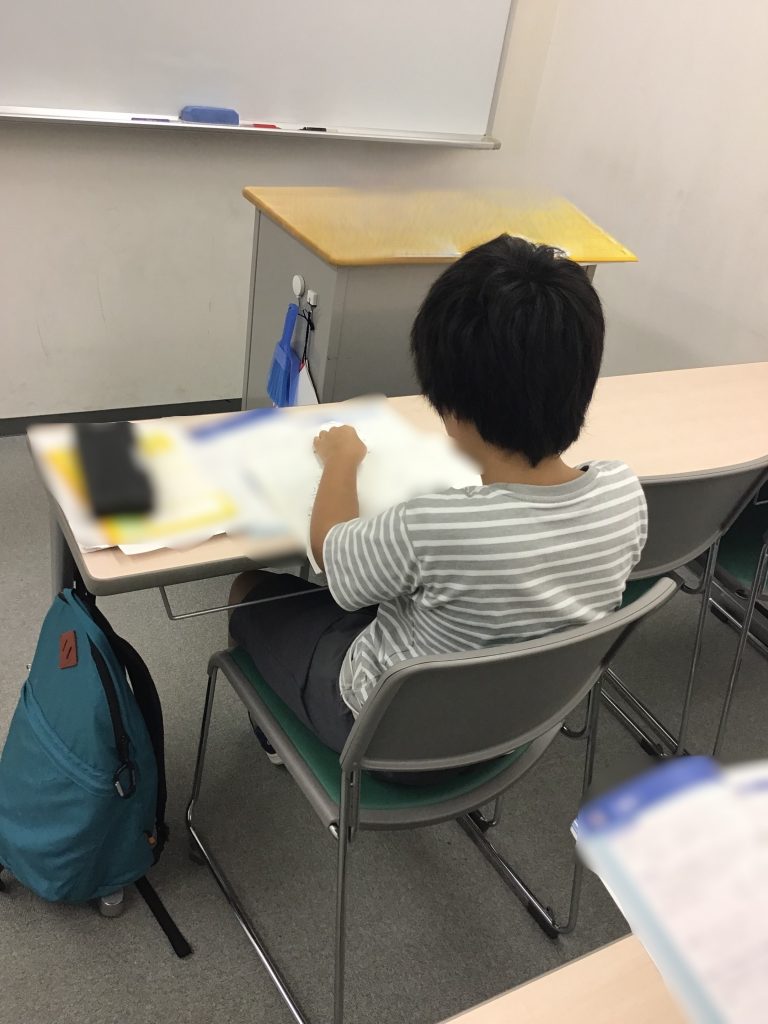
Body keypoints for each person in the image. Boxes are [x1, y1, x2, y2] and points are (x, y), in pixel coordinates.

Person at [229, 234, 647, 767]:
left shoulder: (433, 526)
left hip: (386, 740)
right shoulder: (623, 494)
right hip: (513, 727)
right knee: (399, 598)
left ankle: (276, 736)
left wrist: (341, 458)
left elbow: (331, 554)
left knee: (249, 588)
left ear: (453, 409)